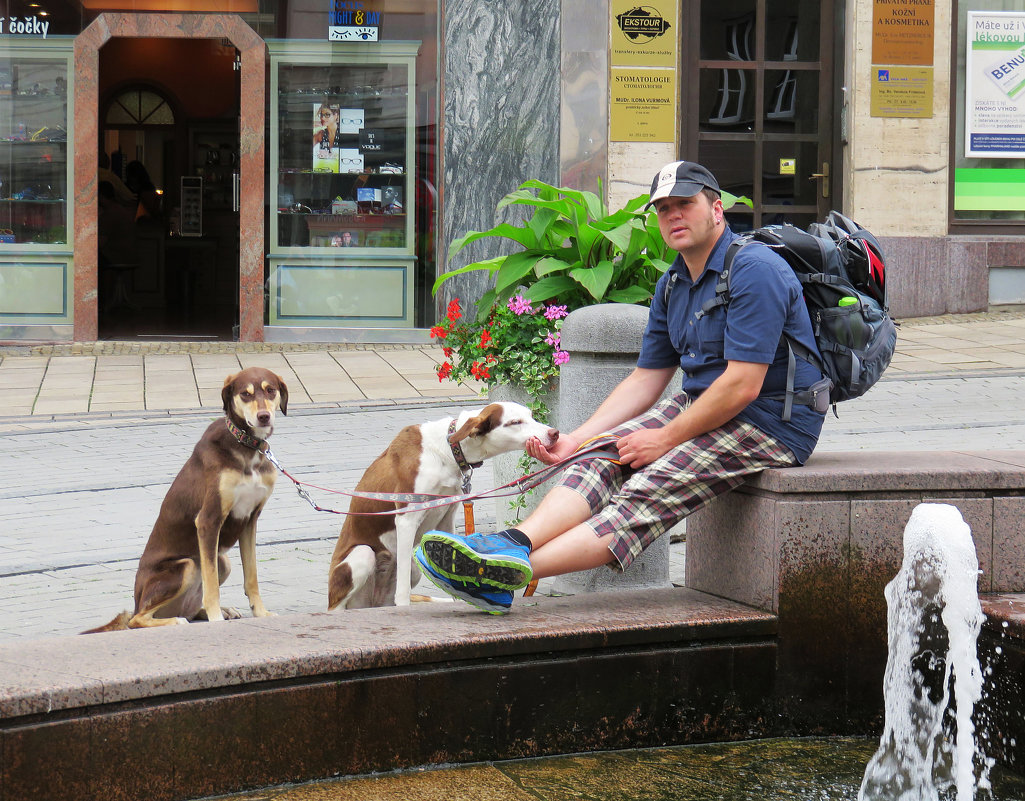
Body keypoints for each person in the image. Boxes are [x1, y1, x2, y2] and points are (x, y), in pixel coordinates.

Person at [414, 160, 828, 614]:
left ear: (716, 209)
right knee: (601, 456)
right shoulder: (674, 282)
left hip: (772, 421)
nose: (673, 216)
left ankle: (504, 573)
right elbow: (646, 378)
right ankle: (512, 543)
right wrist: (579, 439)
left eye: (685, 204)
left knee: (649, 484)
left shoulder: (755, 270)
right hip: (708, 403)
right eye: (664, 207)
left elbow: (743, 385)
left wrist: (664, 439)